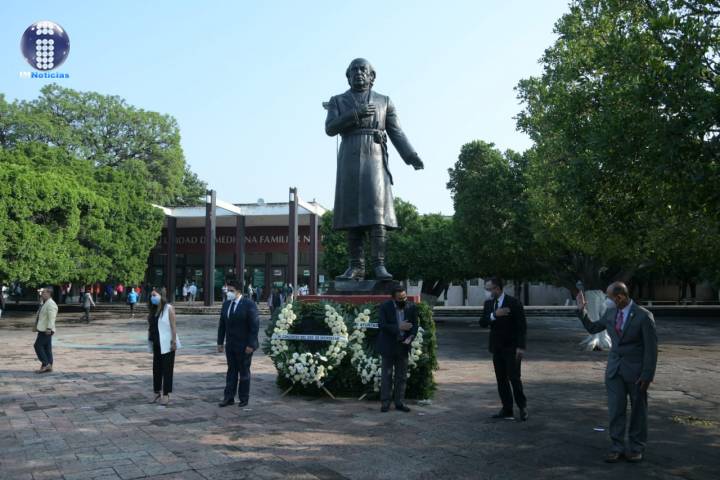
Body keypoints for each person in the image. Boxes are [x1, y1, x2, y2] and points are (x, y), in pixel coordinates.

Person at [325, 58, 424, 280]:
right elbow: (330, 128)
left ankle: (379, 265)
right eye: (354, 70)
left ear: (372, 76)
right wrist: (355, 114)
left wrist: (411, 156)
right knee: (352, 214)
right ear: (348, 76)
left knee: (376, 212)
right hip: (349, 156)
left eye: (363, 69)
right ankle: (355, 266)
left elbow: (396, 131)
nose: (358, 73)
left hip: (375, 156)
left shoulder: (384, 101)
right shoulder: (338, 100)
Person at [576, 282, 658, 463]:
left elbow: (651, 349)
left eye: (609, 296)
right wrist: (582, 310)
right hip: (614, 371)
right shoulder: (611, 313)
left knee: (638, 411)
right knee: (615, 410)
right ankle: (617, 447)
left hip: (636, 372)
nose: (607, 300)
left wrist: (647, 375)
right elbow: (593, 328)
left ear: (620, 297)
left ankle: (636, 447)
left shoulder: (644, 316)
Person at [479, 277, 528, 421]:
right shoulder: (489, 304)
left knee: (514, 378)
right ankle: (507, 409)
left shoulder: (513, 303)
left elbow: (522, 326)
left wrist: (521, 346)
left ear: (497, 289)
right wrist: (494, 315)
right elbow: (482, 322)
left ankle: (522, 407)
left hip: (512, 348)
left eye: (489, 289)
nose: (488, 292)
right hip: (496, 347)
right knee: (501, 379)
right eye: (487, 289)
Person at [217, 280, 259, 408]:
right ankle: (228, 397)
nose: (228, 293)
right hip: (231, 344)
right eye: (227, 290)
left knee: (244, 372)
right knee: (231, 371)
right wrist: (220, 342)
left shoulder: (249, 304)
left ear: (238, 291)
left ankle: (243, 398)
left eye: (231, 291)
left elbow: (254, 326)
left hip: (245, 345)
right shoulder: (226, 305)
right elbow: (222, 325)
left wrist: (251, 344)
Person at [377, 285, 418, 413]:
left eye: (405, 297)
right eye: (400, 298)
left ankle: (399, 402)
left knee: (401, 376)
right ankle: (385, 403)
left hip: (403, 346)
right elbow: (382, 325)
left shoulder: (411, 307)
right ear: (393, 298)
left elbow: (415, 326)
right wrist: (399, 327)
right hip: (388, 346)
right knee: (386, 376)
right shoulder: (385, 307)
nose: (403, 300)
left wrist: (410, 337)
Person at [147, 288, 179, 406]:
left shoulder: (169, 308)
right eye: (151, 295)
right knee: (156, 369)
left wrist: (174, 341)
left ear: (161, 295)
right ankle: (156, 392)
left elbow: (173, 326)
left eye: (154, 295)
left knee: (167, 369)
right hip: (156, 343)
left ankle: (166, 394)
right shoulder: (153, 309)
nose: (152, 298)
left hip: (167, 343)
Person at [33, 287, 58, 373]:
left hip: (46, 329)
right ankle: (48, 366)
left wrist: (49, 328)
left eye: (44, 293)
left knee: (37, 346)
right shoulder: (45, 302)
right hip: (43, 328)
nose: (42, 294)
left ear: (49, 294)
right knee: (47, 348)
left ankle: (46, 363)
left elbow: (52, 318)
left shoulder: (51, 304)